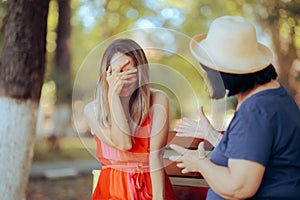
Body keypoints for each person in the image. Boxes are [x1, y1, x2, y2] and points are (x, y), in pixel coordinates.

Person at [169, 16, 300, 199]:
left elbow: (239, 187)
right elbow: (253, 151)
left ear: (222, 73)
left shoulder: (256, 111)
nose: (206, 78)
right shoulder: (272, 95)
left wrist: (200, 163)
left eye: (208, 71)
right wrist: (212, 135)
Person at [84, 38, 177, 200]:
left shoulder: (158, 100)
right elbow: (124, 143)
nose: (124, 79)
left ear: (141, 72)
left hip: (149, 189)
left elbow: (155, 156)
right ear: (107, 73)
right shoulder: (92, 110)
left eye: (129, 71)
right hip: (112, 191)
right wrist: (113, 97)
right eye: (118, 72)